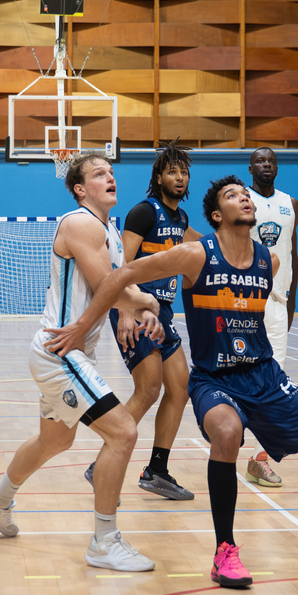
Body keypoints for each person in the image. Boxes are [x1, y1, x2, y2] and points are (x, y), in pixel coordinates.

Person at [46, 175, 298, 589]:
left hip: (265, 376)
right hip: (215, 379)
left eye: (245, 194)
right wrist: (92, 323)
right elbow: (121, 274)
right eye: (232, 195)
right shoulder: (194, 255)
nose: (244, 198)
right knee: (226, 432)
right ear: (216, 215)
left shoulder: (268, 261)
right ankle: (225, 550)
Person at [0, 156, 165, 571]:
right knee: (123, 432)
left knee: (55, 441)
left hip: (67, 351)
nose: (110, 177)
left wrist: (138, 307)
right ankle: (104, 542)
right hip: (60, 351)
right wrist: (149, 302)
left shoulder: (109, 230)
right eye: (98, 174)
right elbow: (108, 286)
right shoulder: (80, 223)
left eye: (111, 172)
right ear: (79, 189)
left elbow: (119, 288)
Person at [83, 142, 199, 501]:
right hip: (136, 309)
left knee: (180, 388)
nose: (179, 177)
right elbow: (121, 267)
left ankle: (156, 471)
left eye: (183, 172)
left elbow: (203, 245)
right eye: (172, 171)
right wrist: (124, 312)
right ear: (158, 178)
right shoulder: (144, 213)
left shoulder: (181, 219)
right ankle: (101, 465)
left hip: (163, 312)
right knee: (148, 389)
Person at [245, 147, 297, 489]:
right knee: (239, 376)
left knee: (273, 381)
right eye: (261, 161)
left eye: (272, 160)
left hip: (277, 303)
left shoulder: (290, 203)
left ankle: (258, 459)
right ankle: (227, 439)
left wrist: (291, 303)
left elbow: (292, 252)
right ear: (250, 168)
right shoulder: (238, 198)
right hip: (244, 301)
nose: (267, 165)